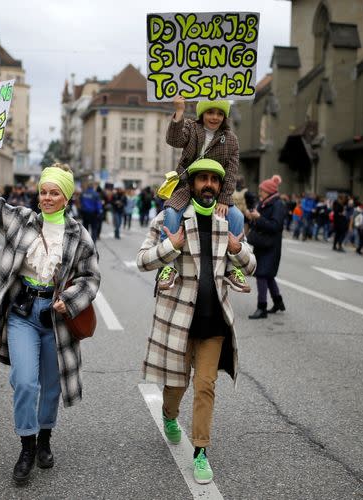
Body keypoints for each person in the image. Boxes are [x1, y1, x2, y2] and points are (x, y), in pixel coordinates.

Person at [0, 143, 100, 485]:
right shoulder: (21, 220)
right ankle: (26, 445)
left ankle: (44, 440)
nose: (48, 197)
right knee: (25, 382)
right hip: (22, 312)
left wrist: (69, 299)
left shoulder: (78, 234)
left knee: (50, 385)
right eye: (44, 191)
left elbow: (91, 276)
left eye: (55, 192)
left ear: (66, 198)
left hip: (56, 317)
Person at [136, 158, 255, 485]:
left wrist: (238, 249)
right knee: (178, 384)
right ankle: (168, 414)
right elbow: (142, 260)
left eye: (213, 181)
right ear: (191, 184)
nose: (208, 185)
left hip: (214, 321)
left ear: (220, 186)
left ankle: (201, 451)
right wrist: (170, 246)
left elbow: (251, 263)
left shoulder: (227, 221)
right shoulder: (169, 219)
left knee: (205, 386)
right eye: (202, 179)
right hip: (179, 319)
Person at [158, 96, 248, 293]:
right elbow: (173, 140)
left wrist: (224, 199)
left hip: (214, 192)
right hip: (186, 187)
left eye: (219, 113)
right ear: (202, 114)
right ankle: (167, 267)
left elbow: (231, 173)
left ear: (224, 116)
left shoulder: (231, 140)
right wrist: (179, 111)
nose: (214, 117)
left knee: (238, 216)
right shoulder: (191, 128)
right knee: (171, 213)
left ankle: (233, 269)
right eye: (210, 112)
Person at [246, 175, 286, 319]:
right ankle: (278, 302)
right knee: (268, 276)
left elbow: (276, 226)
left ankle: (261, 308)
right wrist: (251, 218)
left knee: (262, 275)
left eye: (262, 190)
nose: (260, 193)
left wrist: (258, 218)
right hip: (262, 244)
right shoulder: (264, 203)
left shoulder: (278, 205)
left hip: (271, 246)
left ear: (269, 191)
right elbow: (259, 224)